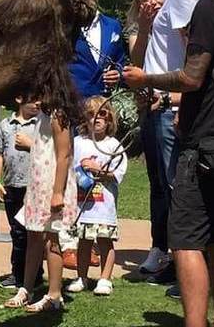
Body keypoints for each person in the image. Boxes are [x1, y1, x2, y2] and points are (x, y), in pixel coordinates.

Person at [124, 0, 214, 327]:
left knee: (187, 239)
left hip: (202, 138)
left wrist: (148, 80)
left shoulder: (207, 8)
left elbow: (192, 77)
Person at [133, 0, 197, 283]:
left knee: (172, 183)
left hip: (170, 105)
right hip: (156, 102)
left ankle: (178, 257)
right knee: (160, 181)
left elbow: (191, 48)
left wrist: (177, 97)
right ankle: (163, 249)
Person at [4, 108, 76, 313]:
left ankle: (54, 294)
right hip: (38, 184)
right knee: (33, 235)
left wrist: (58, 193)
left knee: (52, 238)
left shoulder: (59, 115)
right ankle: (26, 288)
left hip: (52, 185)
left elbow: (63, 155)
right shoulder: (42, 116)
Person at [66, 96, 128, 296]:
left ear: (109, 119)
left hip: (104, 207)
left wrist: (97, 169)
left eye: (102, 114)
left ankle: (105, 279)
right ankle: (81, 277)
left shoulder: (114, 145)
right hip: (81, 205)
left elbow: (117, 174)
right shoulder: (77, 142)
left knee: (104, 241)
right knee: (83, 242)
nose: (97, 118)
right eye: (91, 114)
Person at [0, 96, 44, 291]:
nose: (38, 103)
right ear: (20, 99)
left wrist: (31, 144)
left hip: (33, 187)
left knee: (33, 233)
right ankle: (18, 272)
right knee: (17, 232)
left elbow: (51, 150)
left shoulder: (40, 124)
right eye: (34, 99)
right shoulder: (5, 125)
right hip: (11, 186)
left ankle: (34, 275)